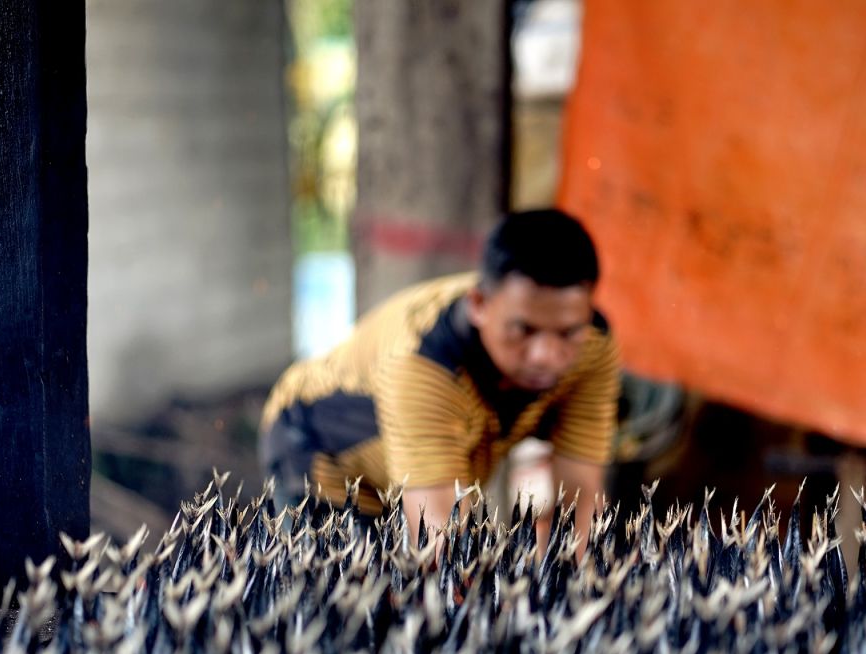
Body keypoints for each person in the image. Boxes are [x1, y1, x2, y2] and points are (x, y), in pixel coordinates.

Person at [258, 208, 621, 562]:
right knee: (346, 592)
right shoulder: (421, 361)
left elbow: (582, 494)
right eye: (523, 330)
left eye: (568, 332)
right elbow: (438, 540)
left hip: (428, 453)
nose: (545, 354)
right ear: (478, 305)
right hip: (320, 446)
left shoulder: (592, 344)